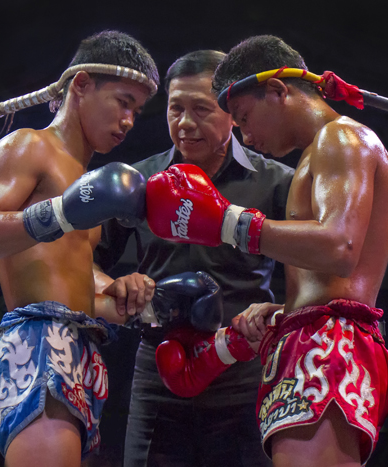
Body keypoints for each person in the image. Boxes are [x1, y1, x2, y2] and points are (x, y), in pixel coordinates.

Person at [147, 35, 388, 467]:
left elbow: (341, 247)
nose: (245, 134)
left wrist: (231, 223)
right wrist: (288, 309)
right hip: (312, 338)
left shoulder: (341, 139)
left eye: (244, 117)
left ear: (279, 92)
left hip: (330, 347)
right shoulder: (319, 154)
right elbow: (336, 283)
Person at [0, 31, 162, 467]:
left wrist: (124, 291)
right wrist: (59, 214)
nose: (128, 120)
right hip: (38, 342)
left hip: (80, 346)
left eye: (136, 111)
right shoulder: (30, 146)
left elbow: (73, 279)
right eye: (123, 101)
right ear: (81, 85)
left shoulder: (88, 184)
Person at [93, 50, 295, 467]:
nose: (185, 123)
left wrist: (278, 313)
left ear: (231, 112)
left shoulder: (277, 182)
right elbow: (84, 262)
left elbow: (310, 279)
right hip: (157, 369)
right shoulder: (138, 182)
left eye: (201, 109)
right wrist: (117, 285)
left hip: (244, 372)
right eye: (175, 108)